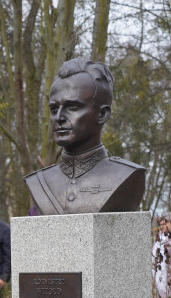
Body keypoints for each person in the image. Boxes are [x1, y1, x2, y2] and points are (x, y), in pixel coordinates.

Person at [23, 58, 145, 214]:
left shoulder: (127, 175)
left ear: (102, 114)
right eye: (54, 109)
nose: (59, 117)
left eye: (72, 107)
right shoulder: (38, 182)